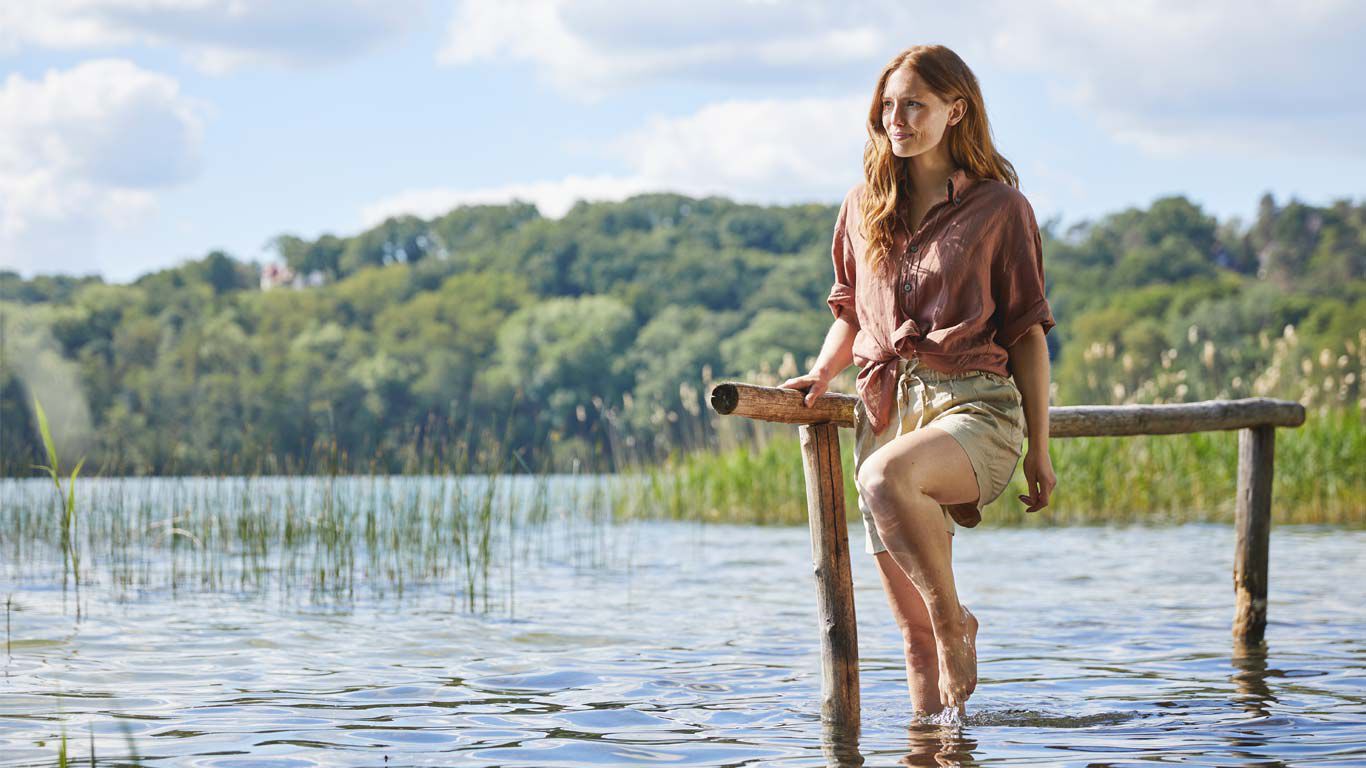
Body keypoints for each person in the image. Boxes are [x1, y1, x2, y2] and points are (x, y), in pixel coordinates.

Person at [778, 44, 1058, 719]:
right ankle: (934, 750)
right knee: (911, 640)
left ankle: (955, 620)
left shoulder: (1000, 209)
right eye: (888, 105)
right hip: (884, 415)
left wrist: (1041, 449)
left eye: (914, 105)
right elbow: (850, 313)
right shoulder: (861, 205)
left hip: (973, 408)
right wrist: (820, 373)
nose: (896, 117)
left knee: (883, 484)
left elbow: (1026, 332)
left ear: (954, 110)